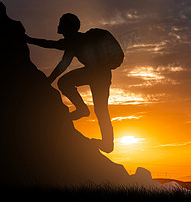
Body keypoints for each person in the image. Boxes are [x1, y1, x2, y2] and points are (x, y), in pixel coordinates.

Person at [26, 13, 124, 153]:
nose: (58, 26)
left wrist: (28, 40)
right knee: (101, 110)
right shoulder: (75, 42)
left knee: (65, 83)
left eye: (61, 24)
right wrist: (48, 80)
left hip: (96, 73)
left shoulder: (74, 41)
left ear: (67, 27)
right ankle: (107, 143)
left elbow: (51, 45)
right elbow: (63, 63)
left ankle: (83, 110)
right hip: (102, 74)